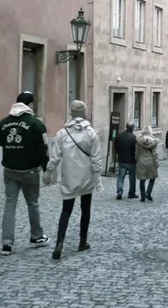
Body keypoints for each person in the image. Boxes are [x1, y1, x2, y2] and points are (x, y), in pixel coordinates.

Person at [42, 100, 102, 260]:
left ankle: (59, 243)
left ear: (71, 113)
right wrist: (98, 179)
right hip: (86, 177)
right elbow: (96, 159)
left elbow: (55, 157)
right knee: (86, 209)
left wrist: (48, 172)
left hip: (69, 177)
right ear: (84, 113)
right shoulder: (91, 133)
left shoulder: (62, 133)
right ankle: (82, 241)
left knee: (66, 210)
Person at [0, 91, 50, 256]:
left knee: (9, 205)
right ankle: (36, 236)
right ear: (30, 104)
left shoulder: (3, 123)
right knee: (32, 203)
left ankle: (7, 243)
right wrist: (47, 170)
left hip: (10, 170)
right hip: (30, 170)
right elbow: (44, 149)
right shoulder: (36, 124)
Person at [136, 126, 160, 202]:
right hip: (151, 162)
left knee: (142, 179)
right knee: (152, 178)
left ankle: (143, 197)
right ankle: (148, 193)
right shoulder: (153, 141)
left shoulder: (138, 141)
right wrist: (156, 163)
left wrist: (136, 161)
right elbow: (155, 154)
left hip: (141, 161)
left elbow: (136, 153)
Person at [114, 123, 137, 200]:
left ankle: (119, 191)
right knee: (132, 178)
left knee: (120, 177)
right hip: (132, 161)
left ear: (126, 127)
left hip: (122, 160)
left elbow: (115, 148)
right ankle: (131, 193)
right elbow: (136, 150)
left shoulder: (119, 136)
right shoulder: (134, 138)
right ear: (132, 128)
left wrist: (118, 154)